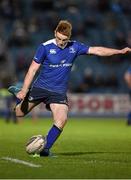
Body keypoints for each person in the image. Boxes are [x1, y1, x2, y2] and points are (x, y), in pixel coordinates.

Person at [8, 20, 131, 156]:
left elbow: (97, 50)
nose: (61, 42)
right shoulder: (45, 47)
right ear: (55, 33)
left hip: (58, 92)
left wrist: (118, 51)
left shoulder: (75, 47)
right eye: (58, 38)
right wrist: (24, 90)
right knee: (18, 113)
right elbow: (32, 70)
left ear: (69, 38)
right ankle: (18, 94)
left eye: (64, 40)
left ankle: (45, 150)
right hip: (41, 87)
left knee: (61, 120)